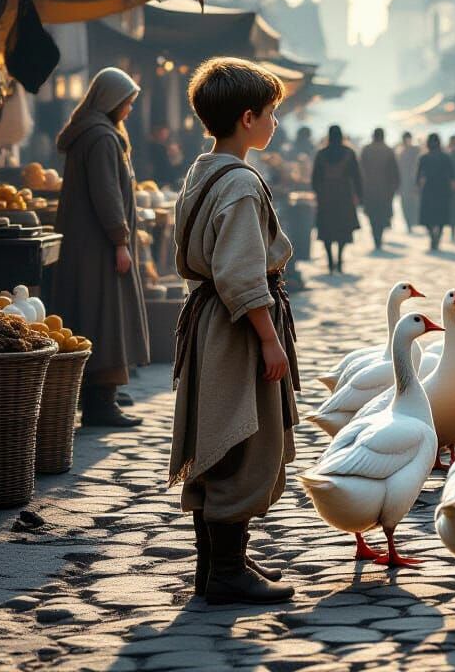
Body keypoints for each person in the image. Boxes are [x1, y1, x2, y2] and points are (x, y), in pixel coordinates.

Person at [168, 57, 298, 605]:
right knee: (243, 442)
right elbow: (242, 275)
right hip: (236, 329)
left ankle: (221, 564)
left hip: (211, 324)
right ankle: (225, 572)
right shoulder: (241, 183)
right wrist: (269, 340)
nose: (275, 123)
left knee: (216, 438)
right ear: (247, 118)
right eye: (270, 113)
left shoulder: (204, 170)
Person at [52, 68, 149, 428]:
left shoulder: (92, 134)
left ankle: (99, 392)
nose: (130, 109)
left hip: (89, 243)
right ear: (110, 100)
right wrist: (120, 241)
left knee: (92, 314)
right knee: (106, 317)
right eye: (127, 102)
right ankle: (99, 402)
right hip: (99, 246)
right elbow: (106, 193)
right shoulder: (102, 138)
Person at [311, 125, 362, 274]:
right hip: (344, 196)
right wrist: (359, 195)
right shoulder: (349, 153)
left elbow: (315, 179)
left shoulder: (320, 154)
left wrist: (319, 193)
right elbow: (357, 176)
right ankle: (339, 260)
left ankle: (330, 262)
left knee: (327, 229)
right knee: (342, 229)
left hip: (326, 196)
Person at [359, 127, 400, 250]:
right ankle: (379, 237)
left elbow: (360, 170)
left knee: (372, 215)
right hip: (385, 190)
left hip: (369, 189)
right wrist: (395, 187)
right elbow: (394, 172)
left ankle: (376, 237)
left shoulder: (366, 150)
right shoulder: (388, 151)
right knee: (382, 215)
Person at [417, 132, 453, 251]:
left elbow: (419, 177)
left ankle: (433, 235)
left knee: (428, 217)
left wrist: (418, 187)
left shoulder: (424, 157)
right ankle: (437, 237)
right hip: (443, 190)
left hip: (429, 190)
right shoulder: (446, 157)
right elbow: (452, 176)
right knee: (441, 216)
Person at [396, 131, 420, 233]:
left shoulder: (414, 150)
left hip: (411, 183)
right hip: (404, 183)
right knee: (406, 204)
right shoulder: (400, 151)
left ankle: (411, 223)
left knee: (411, 204)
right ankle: (409, 224)